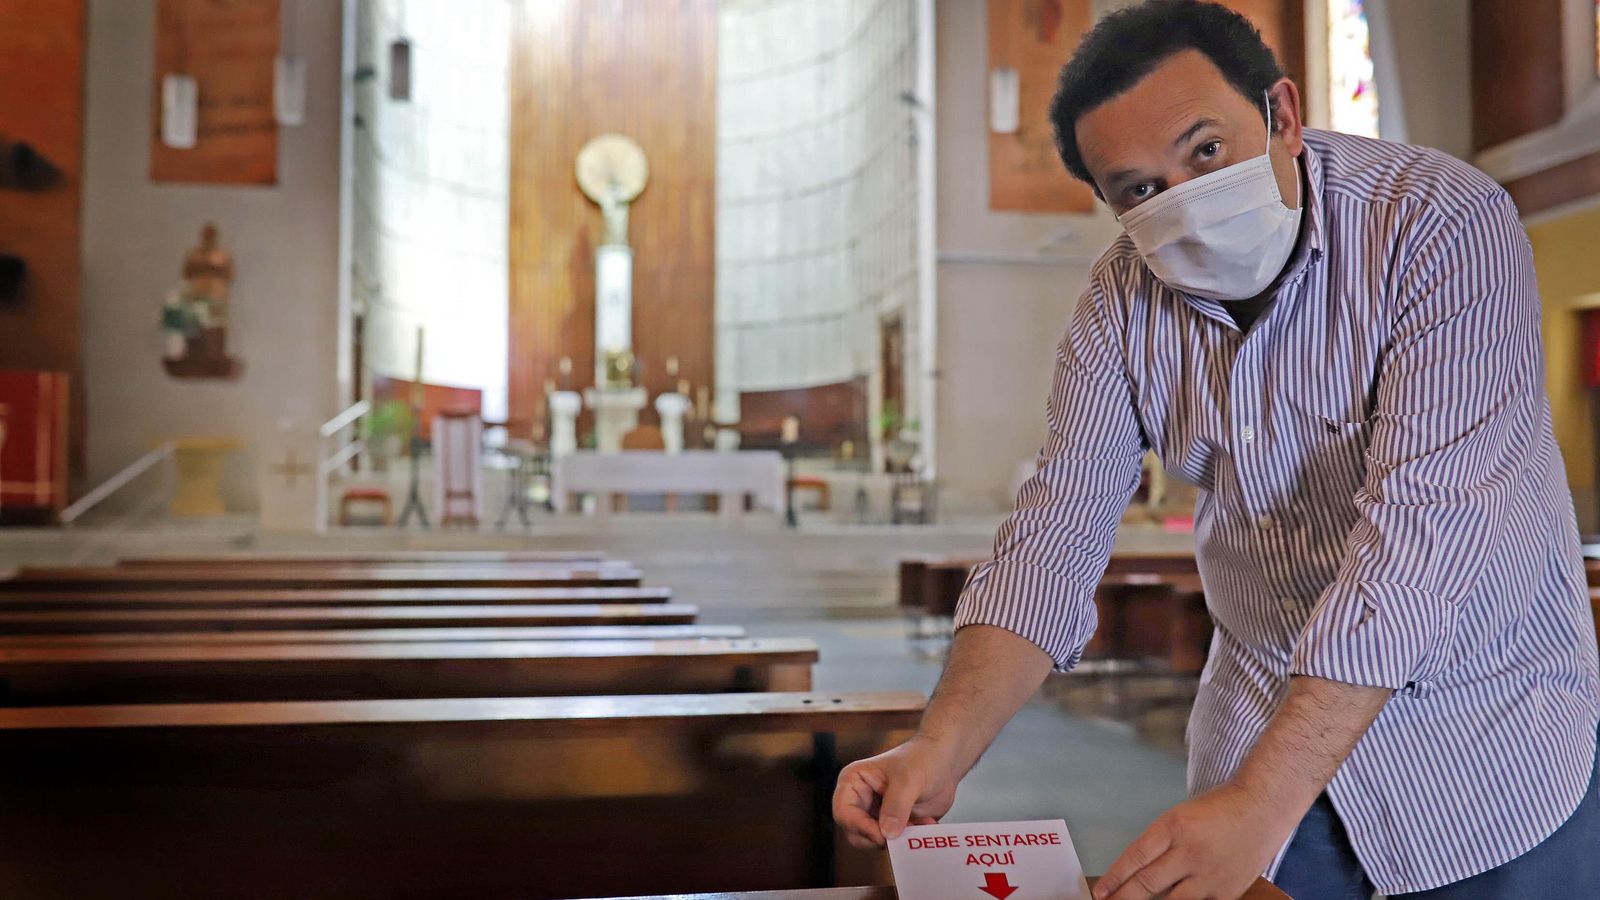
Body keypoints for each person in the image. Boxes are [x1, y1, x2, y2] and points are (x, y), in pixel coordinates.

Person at [831, 2, 1600, 898]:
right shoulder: (1119, 303)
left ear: (1282, 113)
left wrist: (1262, 802)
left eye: (1205, 151)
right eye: (1139, 189)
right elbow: (1054, 536)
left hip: (1484, 740)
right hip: (1264, 734)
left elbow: (1421, 545)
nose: (1184, 202)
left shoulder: (1439, 223)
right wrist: (942, 742)